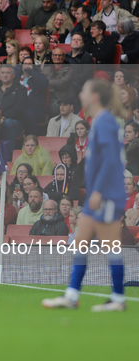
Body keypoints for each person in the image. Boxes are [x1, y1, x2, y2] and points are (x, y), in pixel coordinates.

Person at [43, 79, 128, 310]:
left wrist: (98, 191)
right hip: (99, 194)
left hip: (107, 195)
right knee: (80, 244)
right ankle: (72, 297)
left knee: (111, 247)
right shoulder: (99, 121)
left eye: (83, 90)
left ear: (93, 97)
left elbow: (111, 160)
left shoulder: (105, 122)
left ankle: (118, 299)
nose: (80, 94)